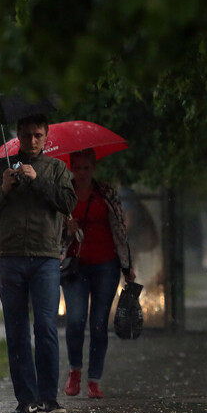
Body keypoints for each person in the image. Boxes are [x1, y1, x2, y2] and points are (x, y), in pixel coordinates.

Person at [0, 114, 77, 413]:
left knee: (46, 327)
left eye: (38, 135)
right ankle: (26, 399)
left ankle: (48, 397)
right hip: (10, 257)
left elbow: (67, 203)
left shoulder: (57, 168)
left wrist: (38, 182)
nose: (32, 141)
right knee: (17, 330)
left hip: (45, 257)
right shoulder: (0, 168)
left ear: (46, 137)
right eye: (27, 135)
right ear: (18, 135)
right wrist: (4, 189)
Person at [62, 148, 135, 399]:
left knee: (99, 324)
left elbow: (119, 229)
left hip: (106, 265)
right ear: (71, 168)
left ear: (93, 168)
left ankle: (94, 379)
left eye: (86, 168)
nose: (82, 173)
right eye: (78, 168)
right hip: (75, 265)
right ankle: (75, 370)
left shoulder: (106, 192)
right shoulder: (64, 195)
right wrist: (66, 227)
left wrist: (127, 266)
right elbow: (52, 231)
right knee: (75, 319)